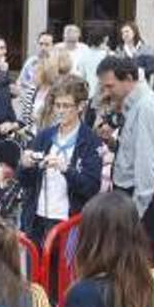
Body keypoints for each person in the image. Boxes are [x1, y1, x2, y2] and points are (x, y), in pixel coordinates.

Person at [97, 55, 154, 263]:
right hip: (136, 196)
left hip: (145, 201)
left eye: (110, 86)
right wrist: (114, 144)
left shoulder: (146, 107)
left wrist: (135, 214)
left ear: (129, 78)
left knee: (143, 271)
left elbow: (147, 165)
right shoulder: (133, 104)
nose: (107, 92)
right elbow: (136, 151)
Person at [18, 75, 102, 241]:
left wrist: (66, 170)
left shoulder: (90, 141)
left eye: (66, 106)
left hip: (68, 223)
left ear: (80, 107)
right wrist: (24, 165)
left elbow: (92, 187)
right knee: (34, 266)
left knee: (63, 267)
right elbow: (25, 182)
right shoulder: (45, 136)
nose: (60, 111)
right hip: (37, 219)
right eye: (57, 105)